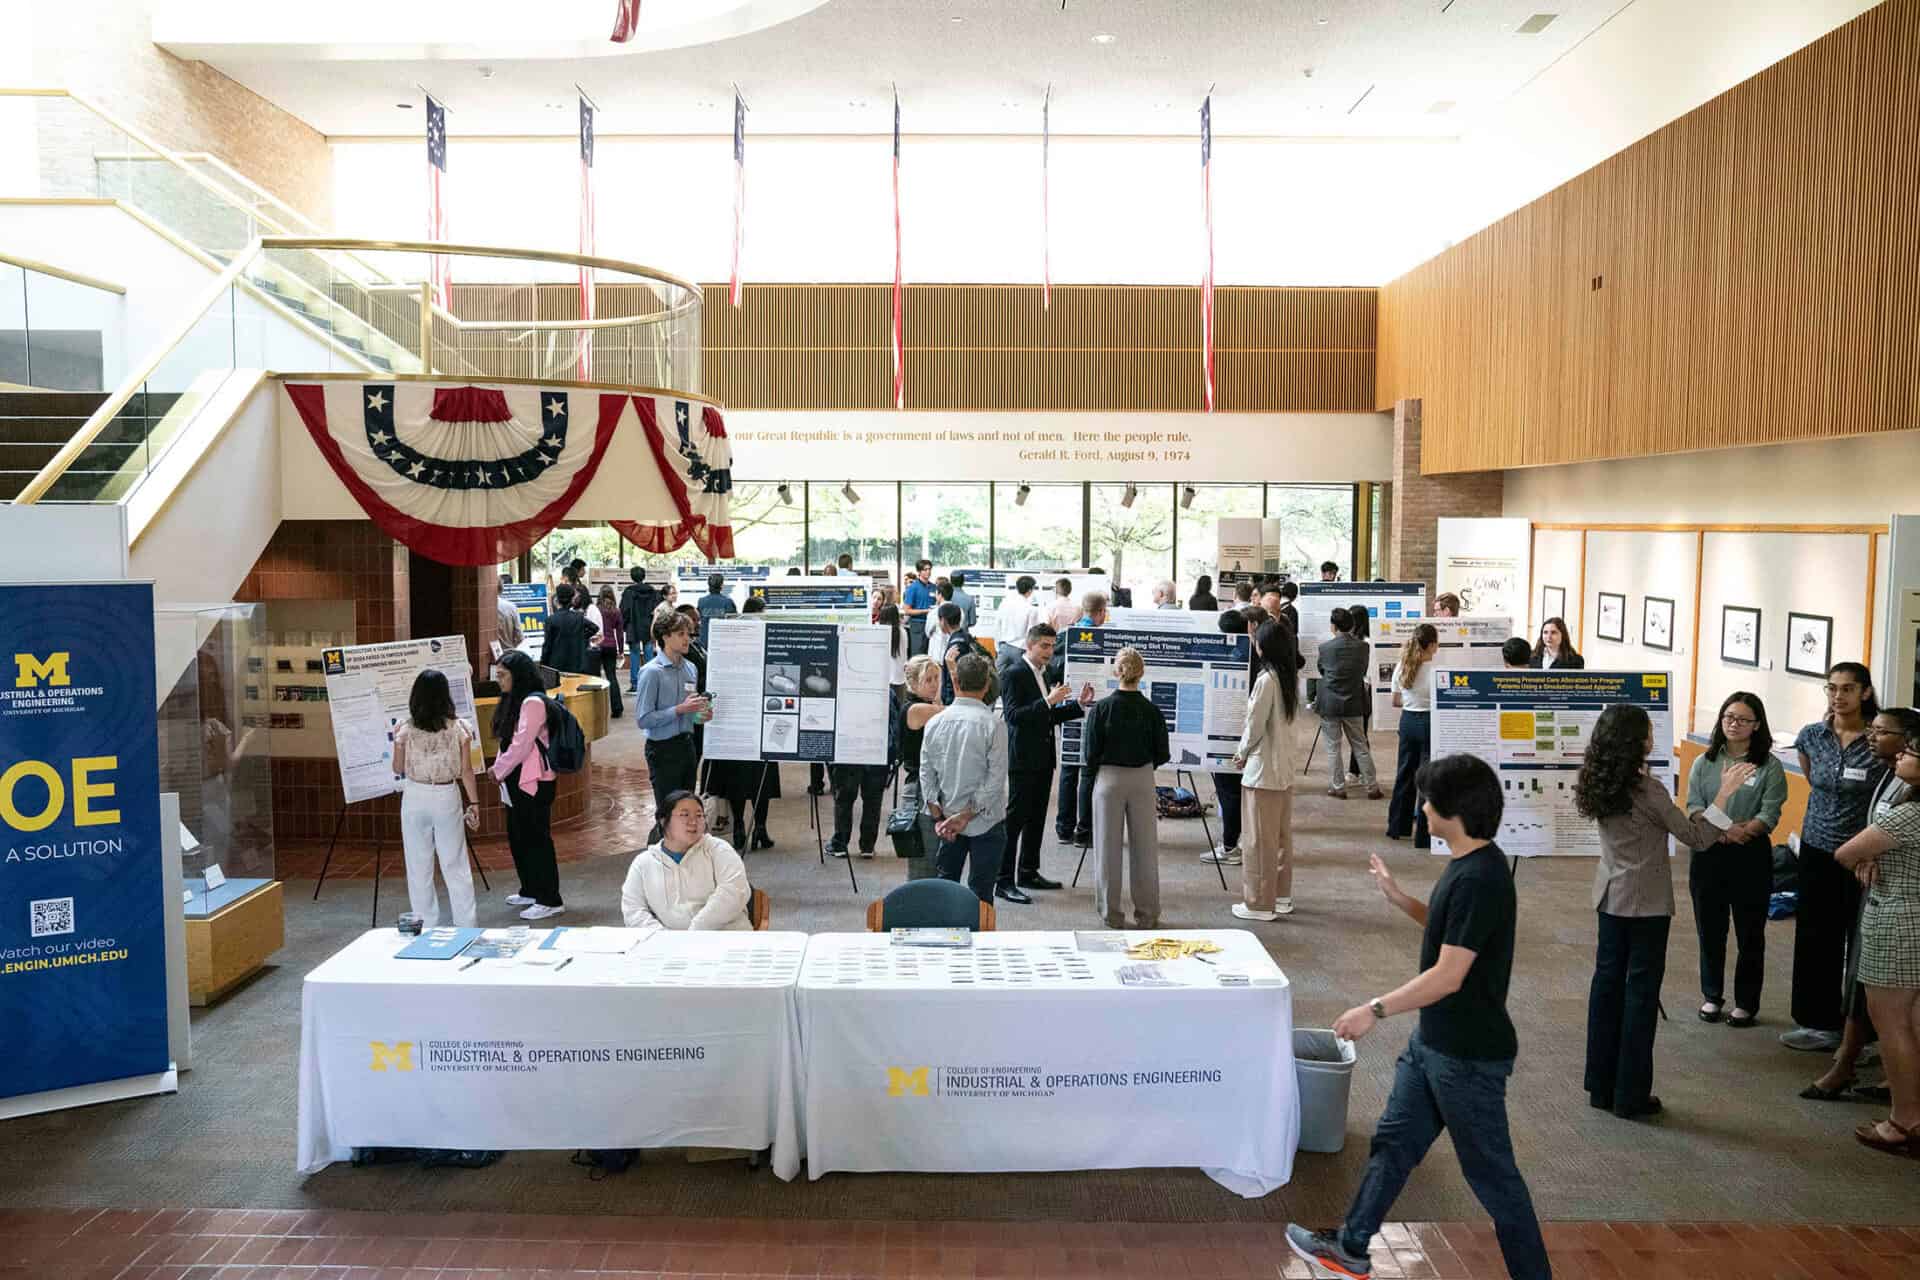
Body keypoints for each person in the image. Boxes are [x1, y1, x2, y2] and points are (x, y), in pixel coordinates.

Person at [1285, 754, 1550, 1280]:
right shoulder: (1468, 867)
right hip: (1434, 1046)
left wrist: (1373, 1010)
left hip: (1468, 1056)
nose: (1421, 807)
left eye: (1428, 800)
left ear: (1451, 810)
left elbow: (1450, 974)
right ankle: (1353, 1244)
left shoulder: (1482, 878)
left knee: (1495, 1181)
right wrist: (1399, 898)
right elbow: (1451, 932)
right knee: (1394, 1145)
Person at [1574, 703, 1749, 1119]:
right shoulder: (1648, 790)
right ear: (1638, 740)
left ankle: (1601, 1086)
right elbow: (1698, 837)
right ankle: (1630, 1095)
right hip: (1646, 903)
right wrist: (1723, 794)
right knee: (1640, 997)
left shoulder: (1597, 779)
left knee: (1606, 990)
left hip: (1610, 896)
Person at [1805, 706, 1916, 1100]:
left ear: (1909, 742)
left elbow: (1860, 845)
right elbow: (1876, 830)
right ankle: (1853, 1063)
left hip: (1902, 910)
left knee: (1893, 1007)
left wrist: (1863, 853)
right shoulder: (1889, 774)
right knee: (1863, 985)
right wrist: (1869, 855)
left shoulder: (1911, 792)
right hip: (1879, 894)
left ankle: (1894, 1094)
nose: (1873, 736)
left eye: (1883, 732)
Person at [1784, 662, 1885, 1053]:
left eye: (1846, 689)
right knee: (1815, 935)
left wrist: (1868, 850)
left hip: (1863, 853)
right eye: (1832, 688)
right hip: (1816, 848)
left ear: (1864, 692)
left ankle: (1861, 1027)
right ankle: (1817, 1021)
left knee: (1860, 939)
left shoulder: (1879, 738)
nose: (1838, 696)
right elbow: (1814, 781)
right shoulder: (1812, 736)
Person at [1834, 711, 1920, 1156]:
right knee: (1915, 1023)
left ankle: (1904, 1120)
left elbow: (1846, 852)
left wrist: (1869, 858)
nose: (1902, 755)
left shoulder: (1908, 813)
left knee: (1892, 1026)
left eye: (1911, 752)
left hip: (1898, 922)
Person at [1687, 692, 1787, 1029]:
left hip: (1750, 855)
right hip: (1709, 854)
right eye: (1728, 716)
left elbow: (1770, 810)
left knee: (1750, 932)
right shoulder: (1705, 762)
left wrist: (1746, 830)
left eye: (1743, 719)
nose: (1733, 724)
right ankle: (1712, 995)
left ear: (1757, 725)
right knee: (1710, 929)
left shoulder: (1768, 766)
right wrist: (1725, 831)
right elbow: (1693, 807)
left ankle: (1746, 1003)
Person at [1081, 646, 1169, 927]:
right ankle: (1147, 914)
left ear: (1115, 672)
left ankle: (1111, 913)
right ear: (1141, 673)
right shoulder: (1152, 711)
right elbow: (1162, 753)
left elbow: (1090, 753)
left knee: (1107, 848)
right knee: (1145, 850)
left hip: (1109, 779)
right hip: (1142, 778)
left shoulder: (1101, 709)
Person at [997, 622, 1083, 904]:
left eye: (1052, 645)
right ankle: (1003, 880)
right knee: (1015, 821)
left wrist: (1077, 706)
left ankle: (1028, 872)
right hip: (1022, 759)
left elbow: (1045, 717)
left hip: (1044, 758)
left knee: (1036, 821)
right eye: (1044, 646)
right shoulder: (1013, 673)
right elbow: (1013, 716)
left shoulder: (1041, 673)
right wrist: (1048, 702)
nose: (1049, 651)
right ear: (1029, 644)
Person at [391, 669, 480, 928]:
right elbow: (466, 770)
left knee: (418, 864)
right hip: (446, 794)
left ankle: (426, 925)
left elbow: (397, 768)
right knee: (455, 863)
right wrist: (474, 803)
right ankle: (467, 925)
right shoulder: (460, 728)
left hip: (415, 795)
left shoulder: (404, 728)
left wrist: (399, 746)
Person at [920, 653, 1009, 903]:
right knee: (982, 896)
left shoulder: (935, 722)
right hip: (987, 822)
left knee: (944, 892)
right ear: (987, 685)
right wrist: (967, 815)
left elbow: (926, 774)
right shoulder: (994, 725)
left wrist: (941, 816)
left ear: (955, 681)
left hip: (946, 822)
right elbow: (995, 780)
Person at [1232, 619, 1301, 921]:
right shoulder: (1287, 678)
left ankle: (1259, 903)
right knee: (1282, 838)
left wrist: (1241, 752)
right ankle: (1281, 895)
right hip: (1283, 769)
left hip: (1264, 771)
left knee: (1259, 840)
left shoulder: (1265, 681)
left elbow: (1254, 726)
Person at [489, 650, 564, 920]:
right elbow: (507, 741)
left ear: (518, 674)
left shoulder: (533, 703)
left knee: (536, 838)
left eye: (503, 675)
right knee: (519, 836)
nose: (499, 680)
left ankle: (550, 898)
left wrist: (498, 770)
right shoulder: (513, 700)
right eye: (497, 675)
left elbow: (521, 745)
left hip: (534, 781)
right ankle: (531, 889)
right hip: (516, 779)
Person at [703, 597, 778, 850]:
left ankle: (738, 827)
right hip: (759, 723)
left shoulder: (726, 647)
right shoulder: (766, 646)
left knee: (736, 779)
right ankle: (760, 828)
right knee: (762, 780)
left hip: (733, 723)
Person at [620, 791, 751, 931]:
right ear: (664, 820)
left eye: (699, 815)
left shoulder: (718, 850)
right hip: (668, 946)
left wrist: (695, 931)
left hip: (725, 939)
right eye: (685, 815)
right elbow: (633, 910)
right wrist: (662, 938)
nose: (693, 821)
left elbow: (734, 892)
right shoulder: (643, 863)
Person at [635, 610, 711, 844]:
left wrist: (702, 715)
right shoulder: (651, 672)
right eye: (680, 634)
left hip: (687, 746)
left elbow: (692, 716)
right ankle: (658, 862)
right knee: (668, 814)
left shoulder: (691, 669)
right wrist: (679, 709)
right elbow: (644, 719)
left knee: (687, 811)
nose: (687, 639)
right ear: (665, 637)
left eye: (688, 633)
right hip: (662, 749)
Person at [1053, 591, 1111, 846]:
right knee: (1088, 770)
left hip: (1068, 706)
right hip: (1092, 710)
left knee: (1068, 768)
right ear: (1100, 612)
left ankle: (1064, 828)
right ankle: (1084, 831)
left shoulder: (1067, 634)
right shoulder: (1102, 637)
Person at [1316, 607, 1379, 799]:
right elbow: (1363, 671)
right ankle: (1372, 787)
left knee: (1333, 747)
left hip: (1330, 704)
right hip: (1354, 703)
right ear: (1351, 625)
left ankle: (1338, 787)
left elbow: (1322, 670)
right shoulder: (1363, 648)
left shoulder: (1325, 648)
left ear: (1333, 626)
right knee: (1360, 746)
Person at [1205, 608, 1251, 867]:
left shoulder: (1231, 656)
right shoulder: (1253, 653)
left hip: (1227, 733)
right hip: (1242, 733)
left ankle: (1230, 845)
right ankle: (1237, 840)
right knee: (1237, 791)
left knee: (1228, 790)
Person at [1386, 624, 1439, 849]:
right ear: (1433, 645)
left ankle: (1397, 826)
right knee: (1427, 779)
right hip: (1430, 723)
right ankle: (1424, 836)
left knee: (1404, 773)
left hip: (1407, 721)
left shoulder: (1402, 666)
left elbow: (1395, 701)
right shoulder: (1437, 671)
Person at [896, 655, 947, 880]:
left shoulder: (927, 705)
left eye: (937, 678)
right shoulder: (916, 709)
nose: (935, 684)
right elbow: (956, 712)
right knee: (923, 863)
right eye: (929, 679)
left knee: (933, 858)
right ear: (914, 684)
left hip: (927, 785)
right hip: (919, 789)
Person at [619, 568, 661, 692]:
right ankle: (651, 682)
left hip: (633, 626)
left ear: (632, 577)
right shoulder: (652, 591)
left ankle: (635, 685)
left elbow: (624, 610)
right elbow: (656, 609)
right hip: (648, 626)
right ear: (644, 576)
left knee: (634, 654)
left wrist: (625, 624)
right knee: (649, 654)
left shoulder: (628, 592)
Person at [542, 583, 598, 675]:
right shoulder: (579, 618)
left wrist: (543, 663)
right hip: (575, 663)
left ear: (557, 600)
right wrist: (582, 636)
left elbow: (547, 645)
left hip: (556, 664)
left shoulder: (550, 620)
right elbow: (594, 628)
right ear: (572, 599)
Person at [993, 575, 1043, 669]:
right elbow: (1031, 633)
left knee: (998, 679)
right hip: (1020, 650)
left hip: (1004, 648)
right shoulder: (1031, 609)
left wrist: (998, 648)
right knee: (1019, 679)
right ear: (1030, 591)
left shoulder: (1004, 604)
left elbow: (997, 626)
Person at [591, 586, 625, 717]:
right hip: (611, 646)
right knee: (612, 676)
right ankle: (617, 708)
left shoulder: (596, 610)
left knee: (595, 678)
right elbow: (620, 633)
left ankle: (597, 709)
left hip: (597, 645)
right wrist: (620, 650)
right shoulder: (616, 611)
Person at [903, 559, 937, 657]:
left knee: (930, 656)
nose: (928, 571)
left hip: (931, 625)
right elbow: (907, 610)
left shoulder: (934, 587)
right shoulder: (913, 588)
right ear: (919, 572)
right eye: (925, 569)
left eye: (929, 569)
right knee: (918, 656)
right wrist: (925, 611)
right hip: (917, 625)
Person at [878, 603, 908, 701]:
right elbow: (904, 654)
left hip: (883, 677)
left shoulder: (880, 631)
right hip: (899, 677)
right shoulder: (902, 632)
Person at [495, 584, 522, 654]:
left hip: (490, 656)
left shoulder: (483, 608)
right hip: (509, 653)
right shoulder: (511, 607)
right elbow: (519, 637)